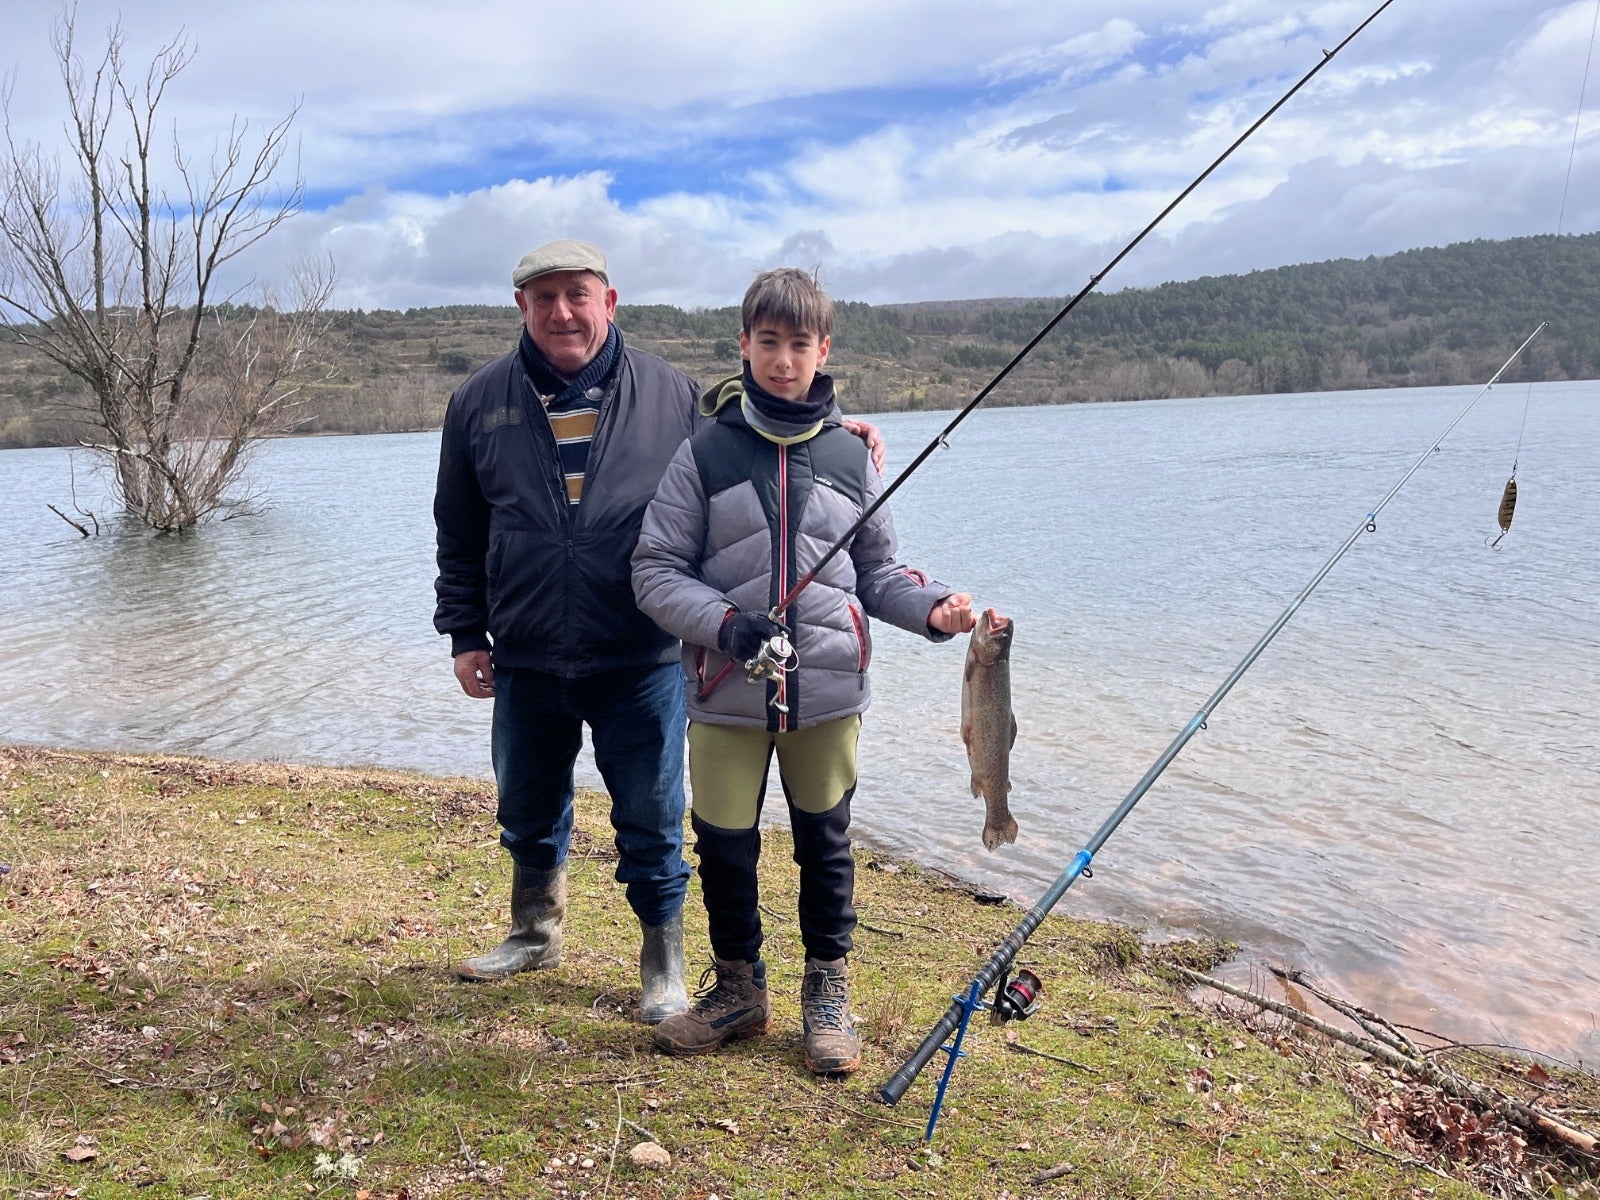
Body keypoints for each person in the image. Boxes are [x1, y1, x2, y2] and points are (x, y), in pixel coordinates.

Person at [433, 241, 883, 1027]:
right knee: (527, 805)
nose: (562, 311)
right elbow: (459, 530)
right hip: (528, 649)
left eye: (578, 294)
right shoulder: (478, 401)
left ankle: (664, 963)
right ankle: (535, 931)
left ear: (610, 303)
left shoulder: (674, 394)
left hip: (639, 651)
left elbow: (767, 427)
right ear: (522, 308)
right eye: (544, 297)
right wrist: (464, 631)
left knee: (652, 813)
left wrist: (842, 429)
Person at [631, 267, 975, 1074]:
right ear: (744, 346)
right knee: (723, 846)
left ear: (825, 351)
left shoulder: (855, 459)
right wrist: (724, 623)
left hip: (826, 690)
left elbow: (881, 574)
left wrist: (933, 611)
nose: (784, 360)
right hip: (725, 690)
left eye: (800, 344)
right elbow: (653, 570)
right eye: (769, 342)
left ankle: (827, 997)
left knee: (825, 845)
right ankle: (738, 993)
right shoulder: (704, 452)